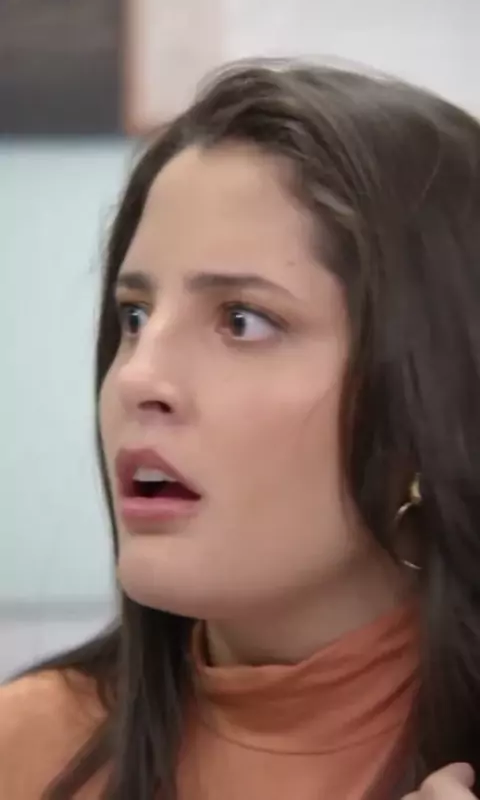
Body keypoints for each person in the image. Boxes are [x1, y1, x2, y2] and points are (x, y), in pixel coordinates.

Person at [1, 59, 480, 800]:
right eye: (135, 316)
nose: (136, 378)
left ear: (429, 393)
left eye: (242, 321)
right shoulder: (27, 749)